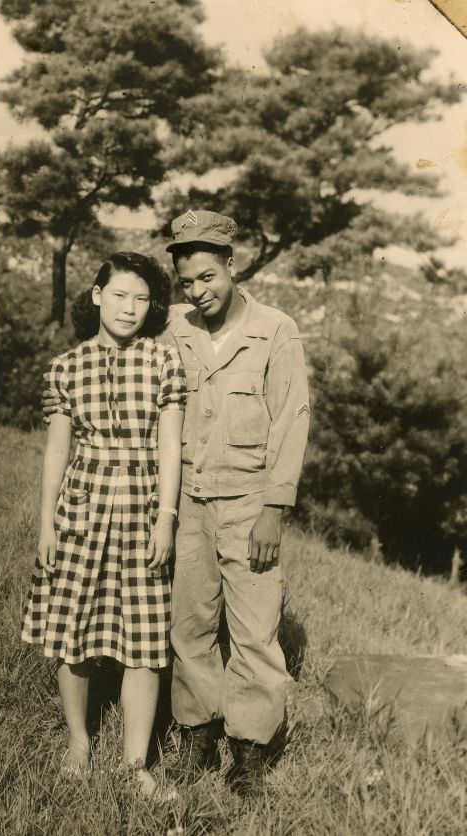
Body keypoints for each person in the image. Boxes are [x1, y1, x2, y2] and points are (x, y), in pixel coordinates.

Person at [22, 252, 186, 798]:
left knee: (144, 636)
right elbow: (56, 452)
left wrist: (166, 519)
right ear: (97, 296)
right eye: (119, 295)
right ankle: (78, 742)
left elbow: (169, 447)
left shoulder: (163, 362)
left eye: (141, 299)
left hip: (142, 505)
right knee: (74, 628)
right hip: (83, 506)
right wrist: (46, 524)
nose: (129, 308)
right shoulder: (66, 368)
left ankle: (136, 763)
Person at [161, 209, 310, 794]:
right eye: (187, 282)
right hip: (188, 502)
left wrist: (275, 508)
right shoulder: (172, 326)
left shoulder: (276, 329)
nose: (199, 292)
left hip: (251, 506)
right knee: (191, 625)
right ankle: (198, 735)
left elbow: (292, 420)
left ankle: (249, 752)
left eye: (207, 276)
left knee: (253, 630)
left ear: (231, 264)